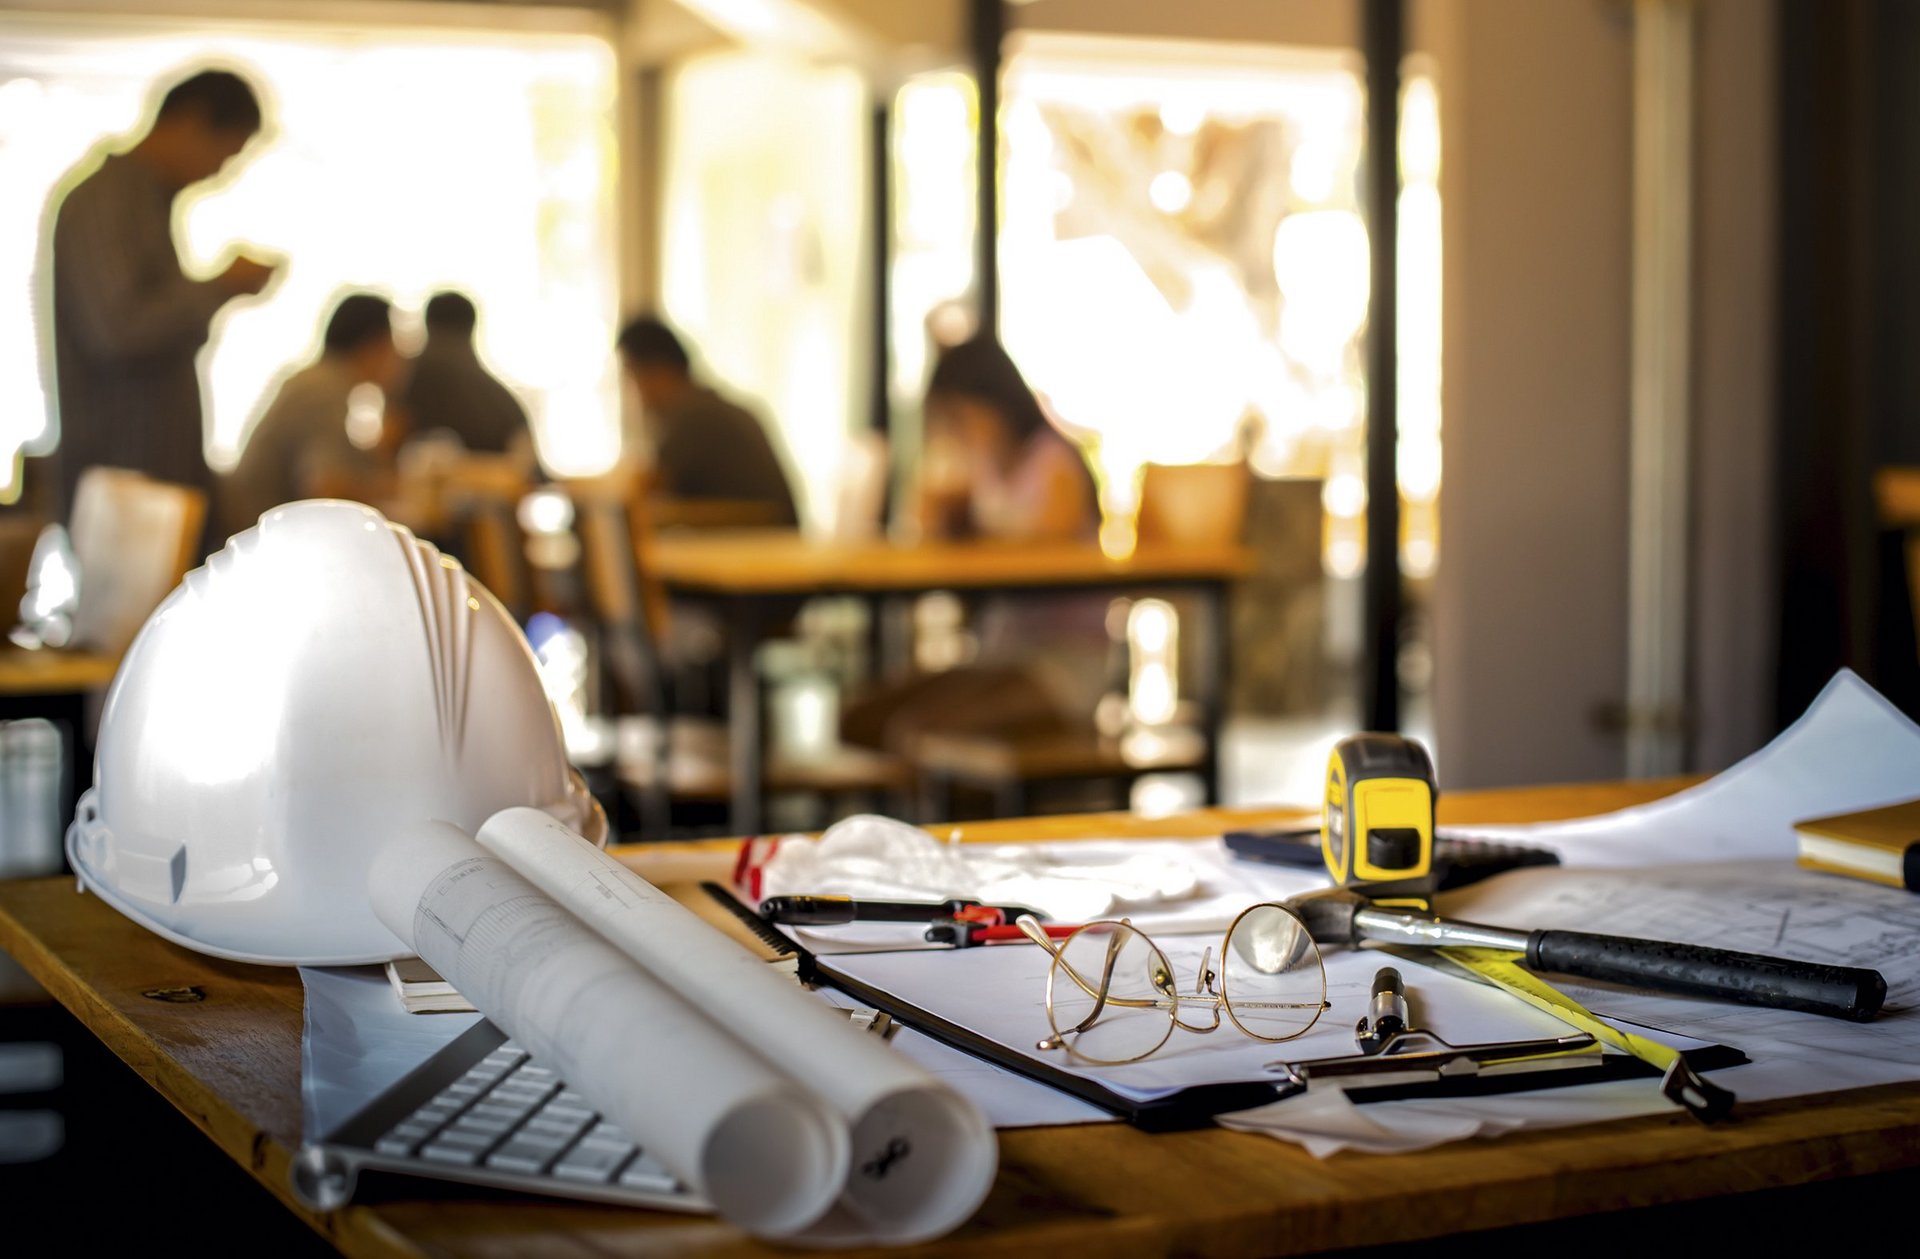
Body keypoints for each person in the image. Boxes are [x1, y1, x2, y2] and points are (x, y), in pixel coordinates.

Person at [842, 337, 1111, 760]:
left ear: (993, 402)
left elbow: (1040, 558)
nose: (954, 428)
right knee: (861, 718)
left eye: (958, 414)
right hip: (997, 655)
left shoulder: (1053, 462)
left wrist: (972, 531)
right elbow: (924, 526)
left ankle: (952, 803)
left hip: (1063, 666)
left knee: (919, 734)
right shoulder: (987, 468)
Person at [41, 67, 280, 521]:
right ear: (191, 121)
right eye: (224, 154)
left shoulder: (146, 201)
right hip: (123, 481)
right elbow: (117, 332)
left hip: (144, 480)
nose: (218, 172)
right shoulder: (107, 199)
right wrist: (220, 285)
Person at [220, 293, 405, 538]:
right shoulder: (325, 388)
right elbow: (324, 487)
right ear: (374, 345)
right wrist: (397, 491)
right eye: (395, 344)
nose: (399, 357)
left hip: (262, 526)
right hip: (265, 535)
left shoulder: (318, 378)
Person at [615, 316, 798, 527]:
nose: (635, 395)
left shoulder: (695, 416)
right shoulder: (708, 406)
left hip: (757, 539)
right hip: (763, 534)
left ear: (658, 371)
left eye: (633, 378)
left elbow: (649, 487)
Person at [398, 291, 531, 457]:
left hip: (474, 469)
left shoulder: (422, 370)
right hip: (512, 462)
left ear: (428, 325)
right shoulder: (489, 387)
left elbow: (398, 432)